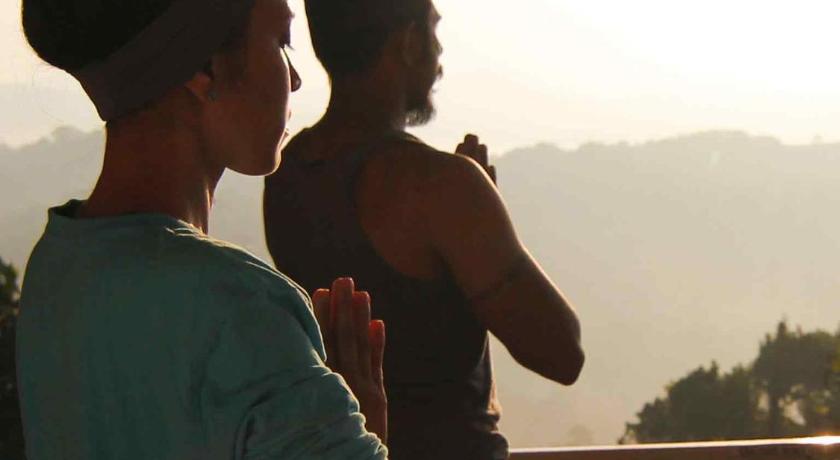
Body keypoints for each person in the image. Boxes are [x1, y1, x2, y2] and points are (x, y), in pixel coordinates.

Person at [16, 0, 389, 458]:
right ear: (207, 67)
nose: (294, 79)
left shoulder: (54, 268)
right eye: (281, 42)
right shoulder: (240, 305)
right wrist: (362, 423)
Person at [263, 0, 585, 458]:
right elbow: (562, 352)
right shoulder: (441, 185)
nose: (440, 58)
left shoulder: (288, 172)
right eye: (434, 33)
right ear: (410, 43)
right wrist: (479, 221)